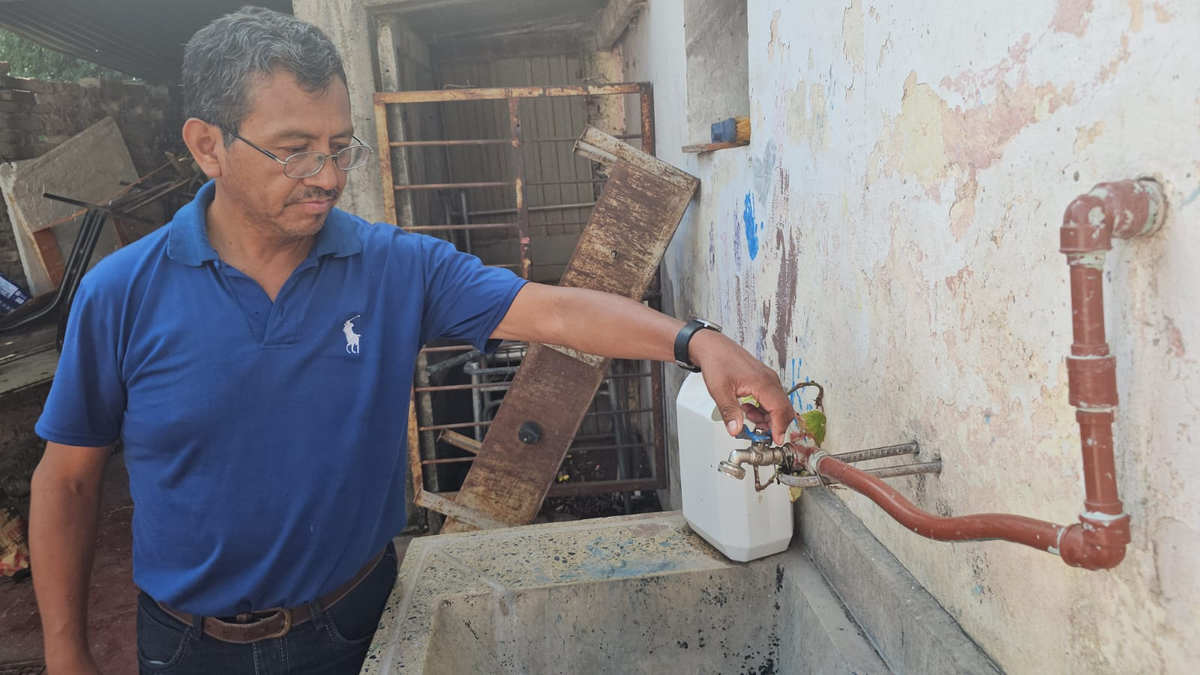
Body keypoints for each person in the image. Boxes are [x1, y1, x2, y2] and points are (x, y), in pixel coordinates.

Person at [28, 7, 792, 675]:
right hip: (186, 647)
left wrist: (697, 342)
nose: (326, 175)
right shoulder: (121, 294)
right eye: (294, 149)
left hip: (354, 622)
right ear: (207, 145)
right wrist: (67, 653)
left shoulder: (394, 267)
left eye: (339, 145)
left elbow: (553, 312)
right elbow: (67, 481)